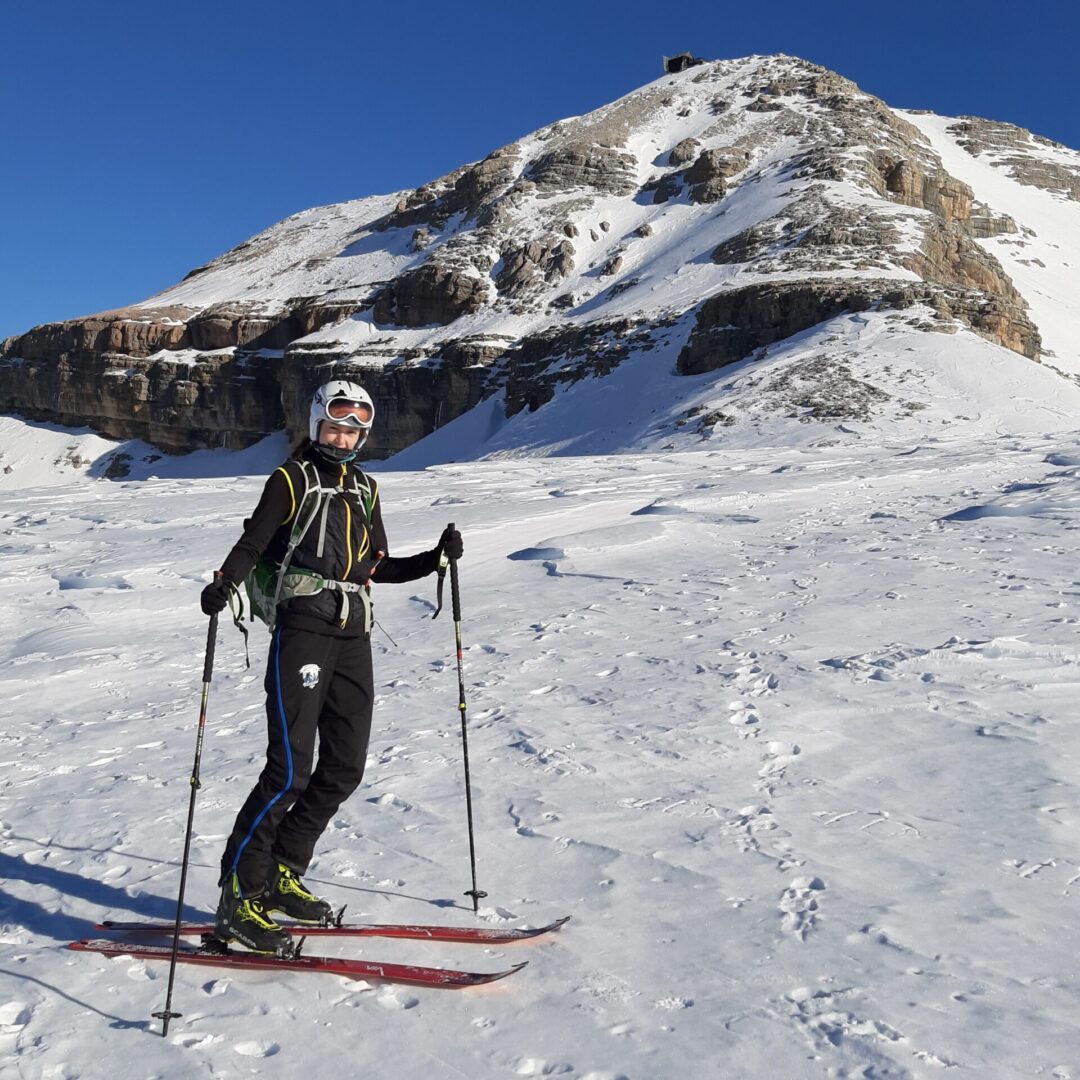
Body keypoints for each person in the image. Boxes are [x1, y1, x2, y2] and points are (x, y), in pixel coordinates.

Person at [199, 379, 463, 955]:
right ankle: (239, 897)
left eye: (355, 429)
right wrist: (224, 583)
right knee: (289, 769)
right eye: (335, 426)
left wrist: (434, 559)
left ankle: (282, 871)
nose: (344, 437)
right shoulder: (291, 479)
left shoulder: (366, 489)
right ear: (316, 423)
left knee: (345, 766)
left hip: (354, 632)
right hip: (304, 628)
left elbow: (376, 567)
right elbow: (255, 540)